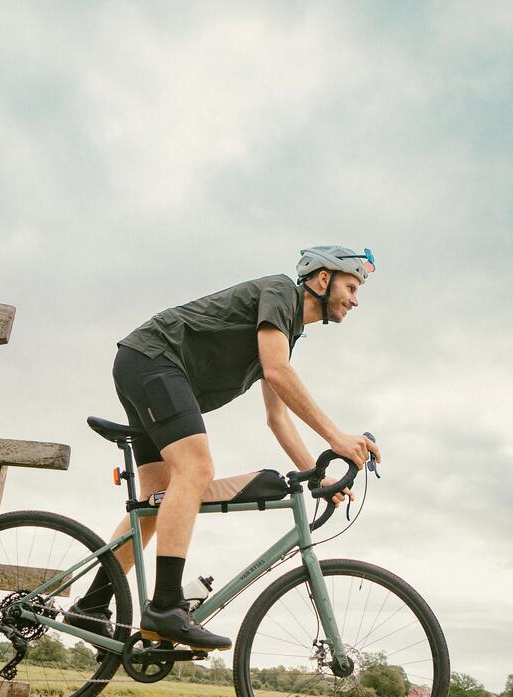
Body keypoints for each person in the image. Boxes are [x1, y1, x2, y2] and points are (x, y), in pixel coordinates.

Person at [66, 245, 381, 652]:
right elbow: (277, 372)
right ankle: (165, 608)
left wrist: (320, 475)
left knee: (154, 503)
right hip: (154, 359)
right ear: (323, 280)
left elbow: (277, 417)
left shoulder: (285, 332)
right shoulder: (281, 292)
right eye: (351, 287)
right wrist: (336, 438)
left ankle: (90, 606)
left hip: (146, 365)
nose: (355, 300)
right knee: (196, 471)